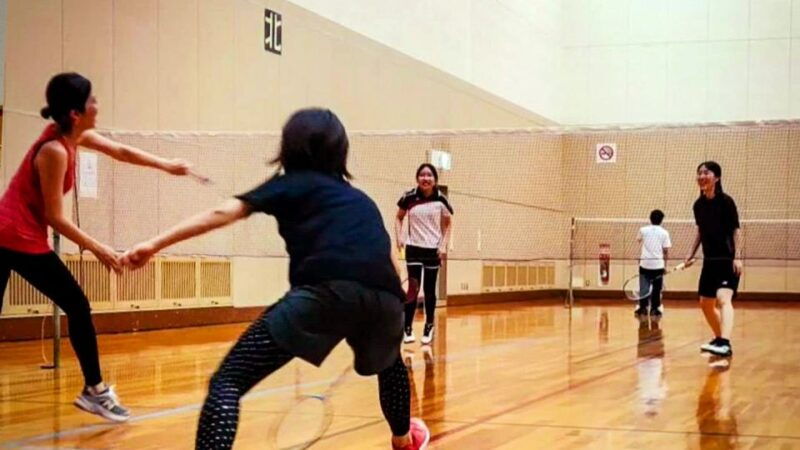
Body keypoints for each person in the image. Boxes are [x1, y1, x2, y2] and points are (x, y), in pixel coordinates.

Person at [122, 108, 430, 450]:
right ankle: (404, 440)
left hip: (323, 294)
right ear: (341, 152)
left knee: (228, 381)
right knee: (390, 365)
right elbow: (388, 253)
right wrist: (399, 286)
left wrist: (154, 244)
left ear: (290, 146)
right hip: (386, 301)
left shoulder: (289, 184)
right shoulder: (361, 200)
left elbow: (223, 213)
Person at [0, 72, 194, 422]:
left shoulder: (76, 136)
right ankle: (95, 391)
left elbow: (119, 150)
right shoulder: (54, 151)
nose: (97, 106)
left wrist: (165, 165)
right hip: (14, 236)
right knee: (77, 303)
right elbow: (55, 217)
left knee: (75, 305)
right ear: (76, 112)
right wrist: (99, 248)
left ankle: (94, 390)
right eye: (92, 101)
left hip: (10, 233)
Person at [684, 161, 741, 357]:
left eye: (706, 173)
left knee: (724, 299)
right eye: (699, 173)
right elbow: (700, 231)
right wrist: (691, 254)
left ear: (716, 177)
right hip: (709, 261)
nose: (701, 176)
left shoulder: (726, 202)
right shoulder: (698, 205)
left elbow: (736, 230)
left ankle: (724, 342)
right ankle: (719, 339)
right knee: (705, 304)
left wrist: (738, 257)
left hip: (726, 259)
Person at [395, 163, 453, 345]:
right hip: (413, 248)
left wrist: (443, 245)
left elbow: (449, 222)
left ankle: (429, 326)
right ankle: (407, 328)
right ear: (417, 178)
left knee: (429, 290)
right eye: (422, 175)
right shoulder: (409, 197)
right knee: (413, 289)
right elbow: (398, 217)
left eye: (429, 175)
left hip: (432, 250)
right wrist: (398, 236)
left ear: (435, 180)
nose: (425, 178)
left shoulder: (441, 200)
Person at [635, 209, 672, 317]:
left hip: (645, 264)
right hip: (658, 265)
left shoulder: (643, 230)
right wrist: (665, 266)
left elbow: (638, 240)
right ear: (661, 220)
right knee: (657, 288)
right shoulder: (665, 233)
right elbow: (665, 251)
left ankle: (643, 308)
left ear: (650, 218)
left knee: (644, 287)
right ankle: (655, 309)